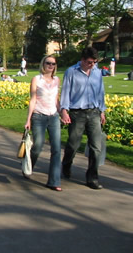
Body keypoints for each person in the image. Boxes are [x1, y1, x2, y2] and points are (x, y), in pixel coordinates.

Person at [60, 47, 106, 190]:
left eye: (95, 62)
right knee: (73, 144)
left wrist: (102, 111)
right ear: (82, 60)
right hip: (77, 112)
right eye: (90, 62)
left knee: (96, 147)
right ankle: (66, 164)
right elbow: (66, 91)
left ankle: (92, 177)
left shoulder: (97, 73)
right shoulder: (71, 71)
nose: (92, 65)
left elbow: (100, 92)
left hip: (93, 112)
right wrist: (64, 110)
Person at [24, 55, 62, 191]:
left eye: (53, 64)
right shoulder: (36, 79)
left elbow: (56, 99)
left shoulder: (57, 80)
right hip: (39, 116)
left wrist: (62, 112)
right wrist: (28, 119)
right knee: (38, 146)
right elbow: (33, 99)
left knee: (56, 149)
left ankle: (54, 181)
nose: (51, 66)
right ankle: (28, 165)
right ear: (43, 64)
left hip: (53, 117)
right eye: (48, 63)